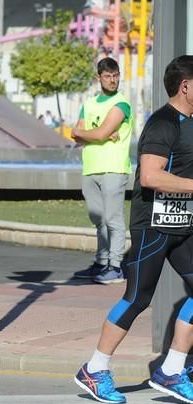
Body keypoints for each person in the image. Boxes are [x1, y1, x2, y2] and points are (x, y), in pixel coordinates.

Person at [74, 55, 193, 404]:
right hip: (153, 227)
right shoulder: (162, 123)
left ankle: (171, 369)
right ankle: (95, 369)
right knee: (137, 297)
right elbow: (151, 176)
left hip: (184, 225)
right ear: (186, 86)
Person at [71, 57, 133, 284]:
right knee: (98, 219)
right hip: (91, 168)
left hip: (113, 168)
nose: (112, 80)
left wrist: (89, 133)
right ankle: (101, 262)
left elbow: (89, 134)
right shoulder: (88, 104)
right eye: (107, 76)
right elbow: (74, 134)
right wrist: (100, 133)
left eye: (116, 76)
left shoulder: (121, 104)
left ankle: (115, 267)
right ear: (98, 78)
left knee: (113, 219)